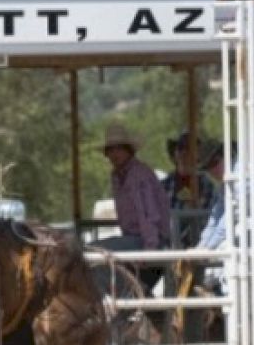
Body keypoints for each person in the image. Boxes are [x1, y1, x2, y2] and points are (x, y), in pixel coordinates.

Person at [93, 124, 171, 292]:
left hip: (150, 240)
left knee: (94, 253)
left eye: (118, 149)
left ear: (128, 150)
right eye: (111, 150)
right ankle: (130, 297)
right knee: (94, 253)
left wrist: (149, 248)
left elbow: (149, 213)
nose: (114, 154)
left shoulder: (138, 174)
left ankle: (128, 298)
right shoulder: (118, 176)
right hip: (136, 239)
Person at [161, 130, 219, 248]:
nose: (184, 153)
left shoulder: (206, 185)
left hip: (198, 245)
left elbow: (210, 218)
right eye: (180, 148)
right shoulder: (163, 185)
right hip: (167, 246)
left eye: (189, 150)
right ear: (175, 154)